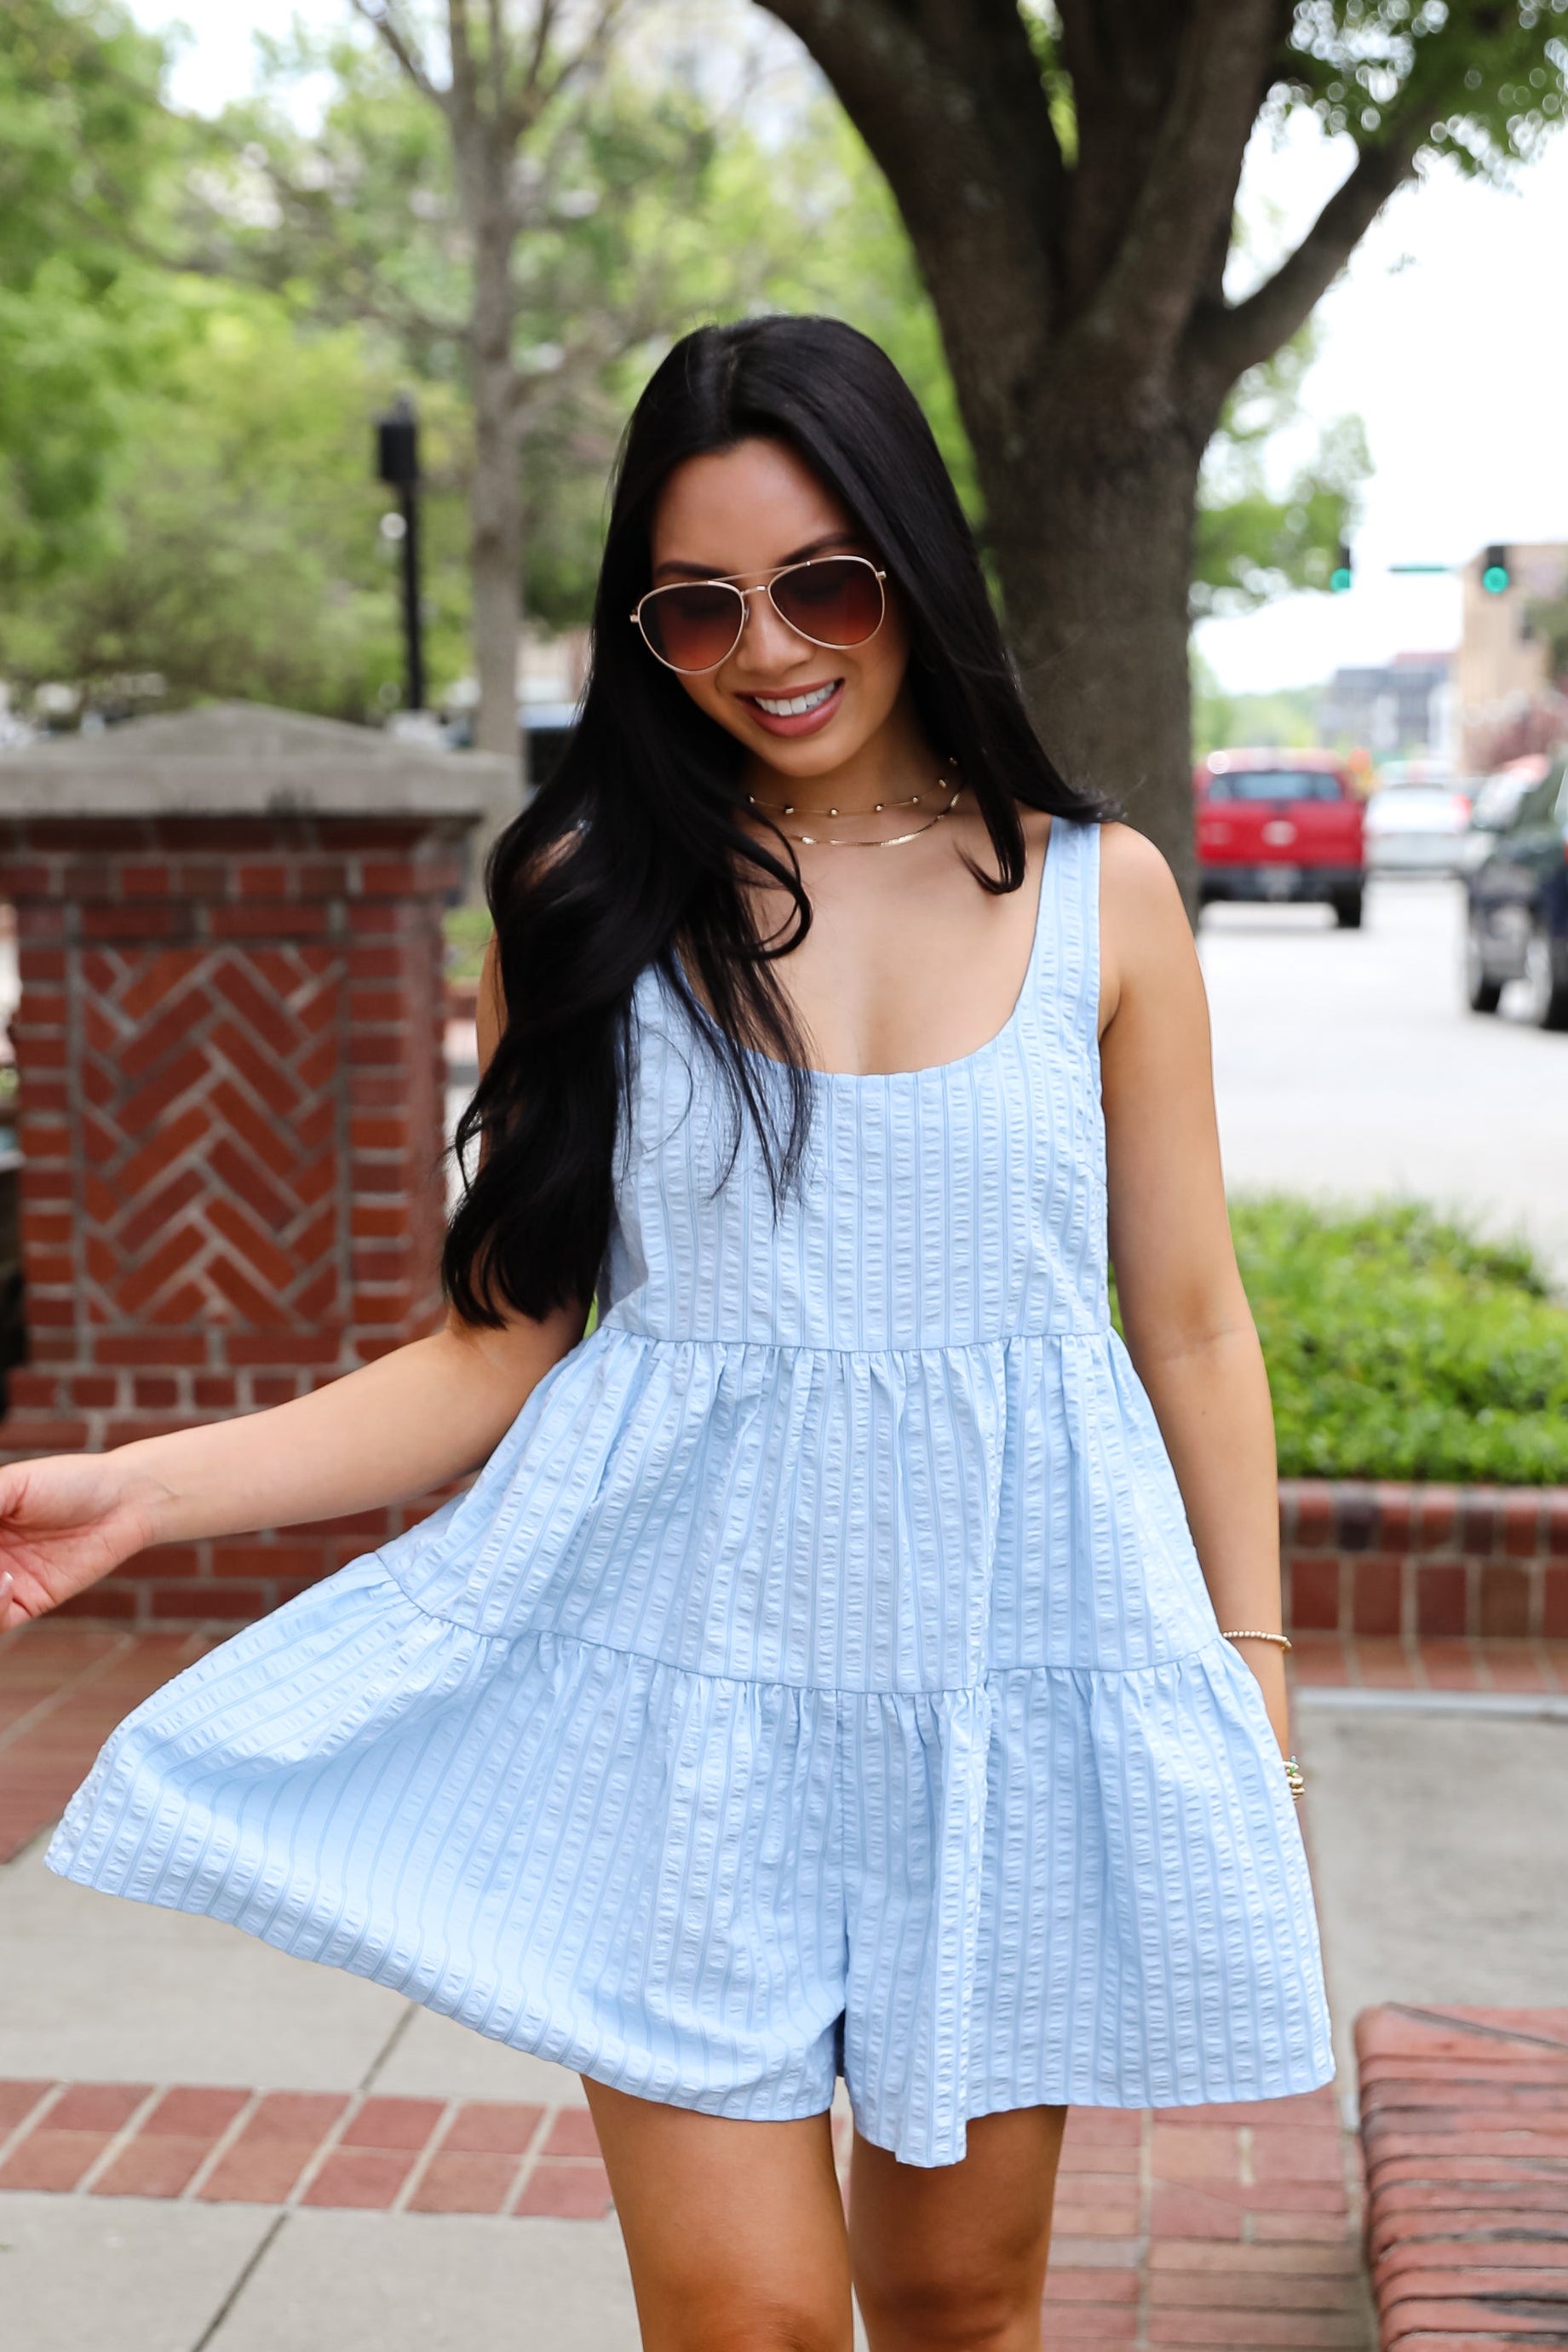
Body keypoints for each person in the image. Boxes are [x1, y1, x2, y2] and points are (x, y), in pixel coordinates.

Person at [2, 317, 1330, 2352]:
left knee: (963, 2299)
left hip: (1006, 1674)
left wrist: (1252, 1669)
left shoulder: (1103, 897)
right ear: (642, 628)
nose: (767, 647)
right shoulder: (581, 898)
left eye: (822, 583)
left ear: (912, 565)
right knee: (748, 2322)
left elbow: (1193, 1327)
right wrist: (138, 1495)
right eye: (697, 604)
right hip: (692, 1707)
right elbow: (493, 1343)